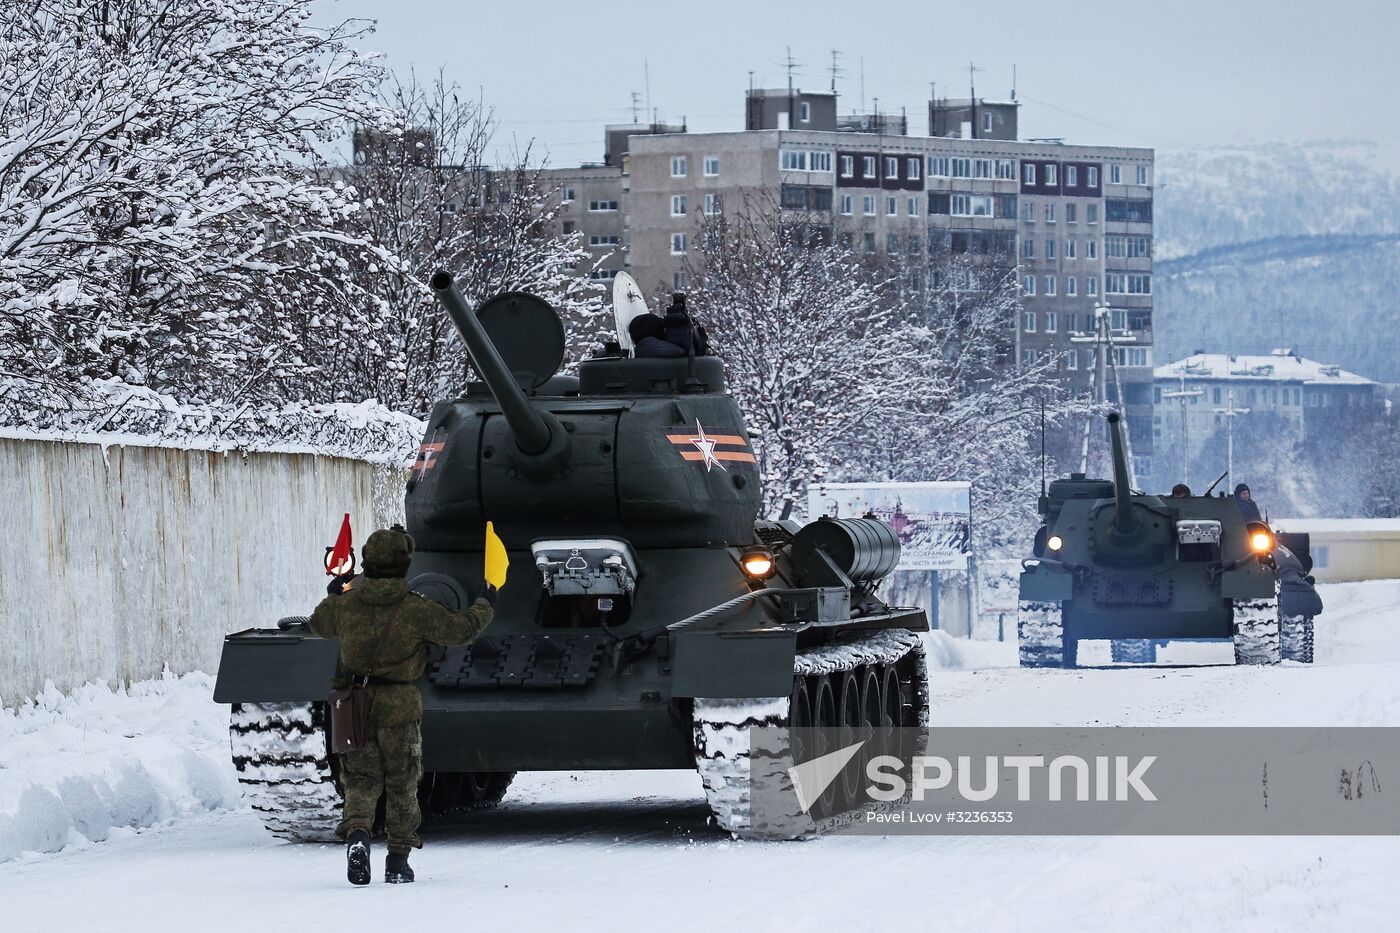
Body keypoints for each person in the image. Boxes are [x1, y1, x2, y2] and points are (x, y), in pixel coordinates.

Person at [310, 525, 496, 886]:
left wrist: (338, 588)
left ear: (367, 561)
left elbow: (319, 623)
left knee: (361, 780)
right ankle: (397, 860)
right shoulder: (416, 609)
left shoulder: (346, 605)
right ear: (405, 563)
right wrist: (487, 601)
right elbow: (463, 631)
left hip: (356, 703)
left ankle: (359, 836)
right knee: (402, 781)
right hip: (399, 704)